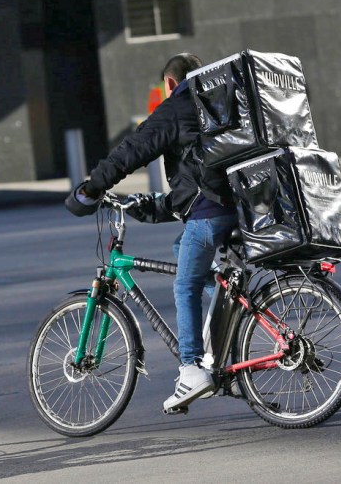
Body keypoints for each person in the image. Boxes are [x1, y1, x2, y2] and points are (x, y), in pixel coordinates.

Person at [65, 53, 238, 412]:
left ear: (170, 84)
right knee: (184, 251)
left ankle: (191, 369)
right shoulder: (218, 104)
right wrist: (155, 207)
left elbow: (133, 149)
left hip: (209, 214)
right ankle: (230, 309)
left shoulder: (178, 106)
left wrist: (92, 188)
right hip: (240, 209)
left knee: (185, 285)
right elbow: (198, 172)